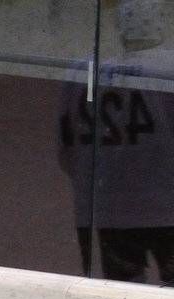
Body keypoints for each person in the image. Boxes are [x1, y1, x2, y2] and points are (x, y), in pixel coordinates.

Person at [57, 0, 174, 283]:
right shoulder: (170, 66)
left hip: (109, 211)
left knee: (122, 294)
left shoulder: (82, 72)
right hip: (167, 208)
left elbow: (67, 150)